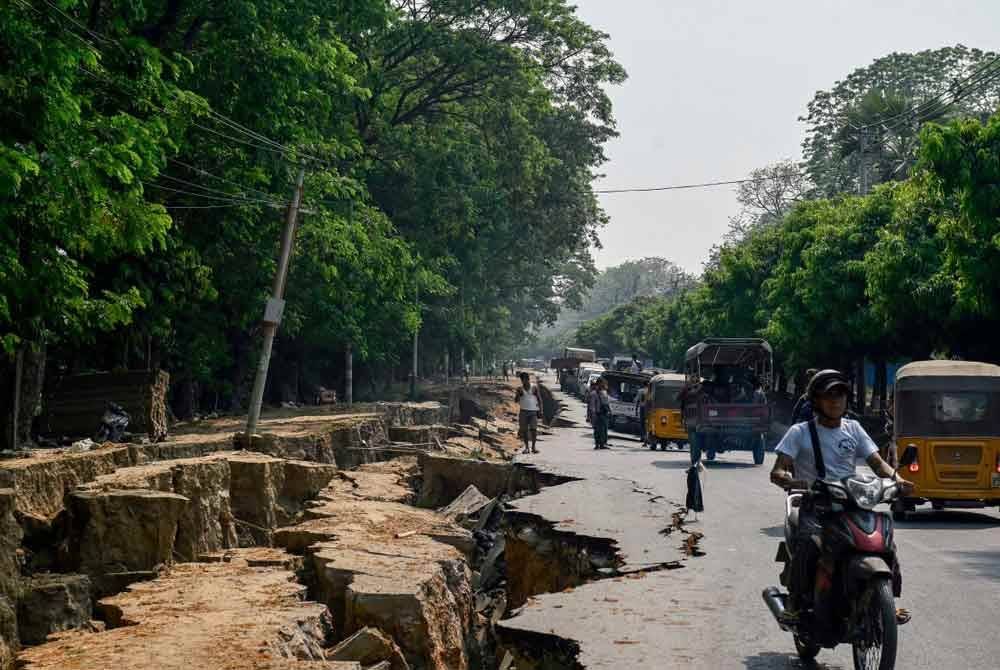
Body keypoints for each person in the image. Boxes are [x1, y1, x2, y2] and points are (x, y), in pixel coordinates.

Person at [769, 369, 913, 620]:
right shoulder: (800, 432)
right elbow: (778, 470)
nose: (836, 401)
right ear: (816, 400)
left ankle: (888, 603)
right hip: (817, 506)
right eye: (829, 396)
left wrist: (898, 480)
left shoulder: (854, 428)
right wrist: (794, 481)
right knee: (809, 546)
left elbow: (877, 462)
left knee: (884, 540)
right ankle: (795, 604)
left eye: (840, 395)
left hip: (851, 502)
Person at [515, 372, 543, 454]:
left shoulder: (534, 388)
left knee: (534, 430)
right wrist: (518, 394)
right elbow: (516, 400)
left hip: (533, 412)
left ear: (528, 379)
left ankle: (533, 447)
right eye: (522, 380)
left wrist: (541, 410)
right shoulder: (519, 389)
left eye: (525, 380)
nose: (524, 382)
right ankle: (527, 448)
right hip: (523, 411)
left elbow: (539, 399)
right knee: (524, 430)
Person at [595, 378, 611, 449]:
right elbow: (605, 403)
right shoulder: (603, 392)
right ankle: (602, 444)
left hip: (598, 412)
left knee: (599, 429)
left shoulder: (596, 391)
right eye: (605, 383)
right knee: (603, 428)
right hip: (603, 412)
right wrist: (609, 411)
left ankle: (598, 443)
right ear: (601, 384)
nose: (606, 385)